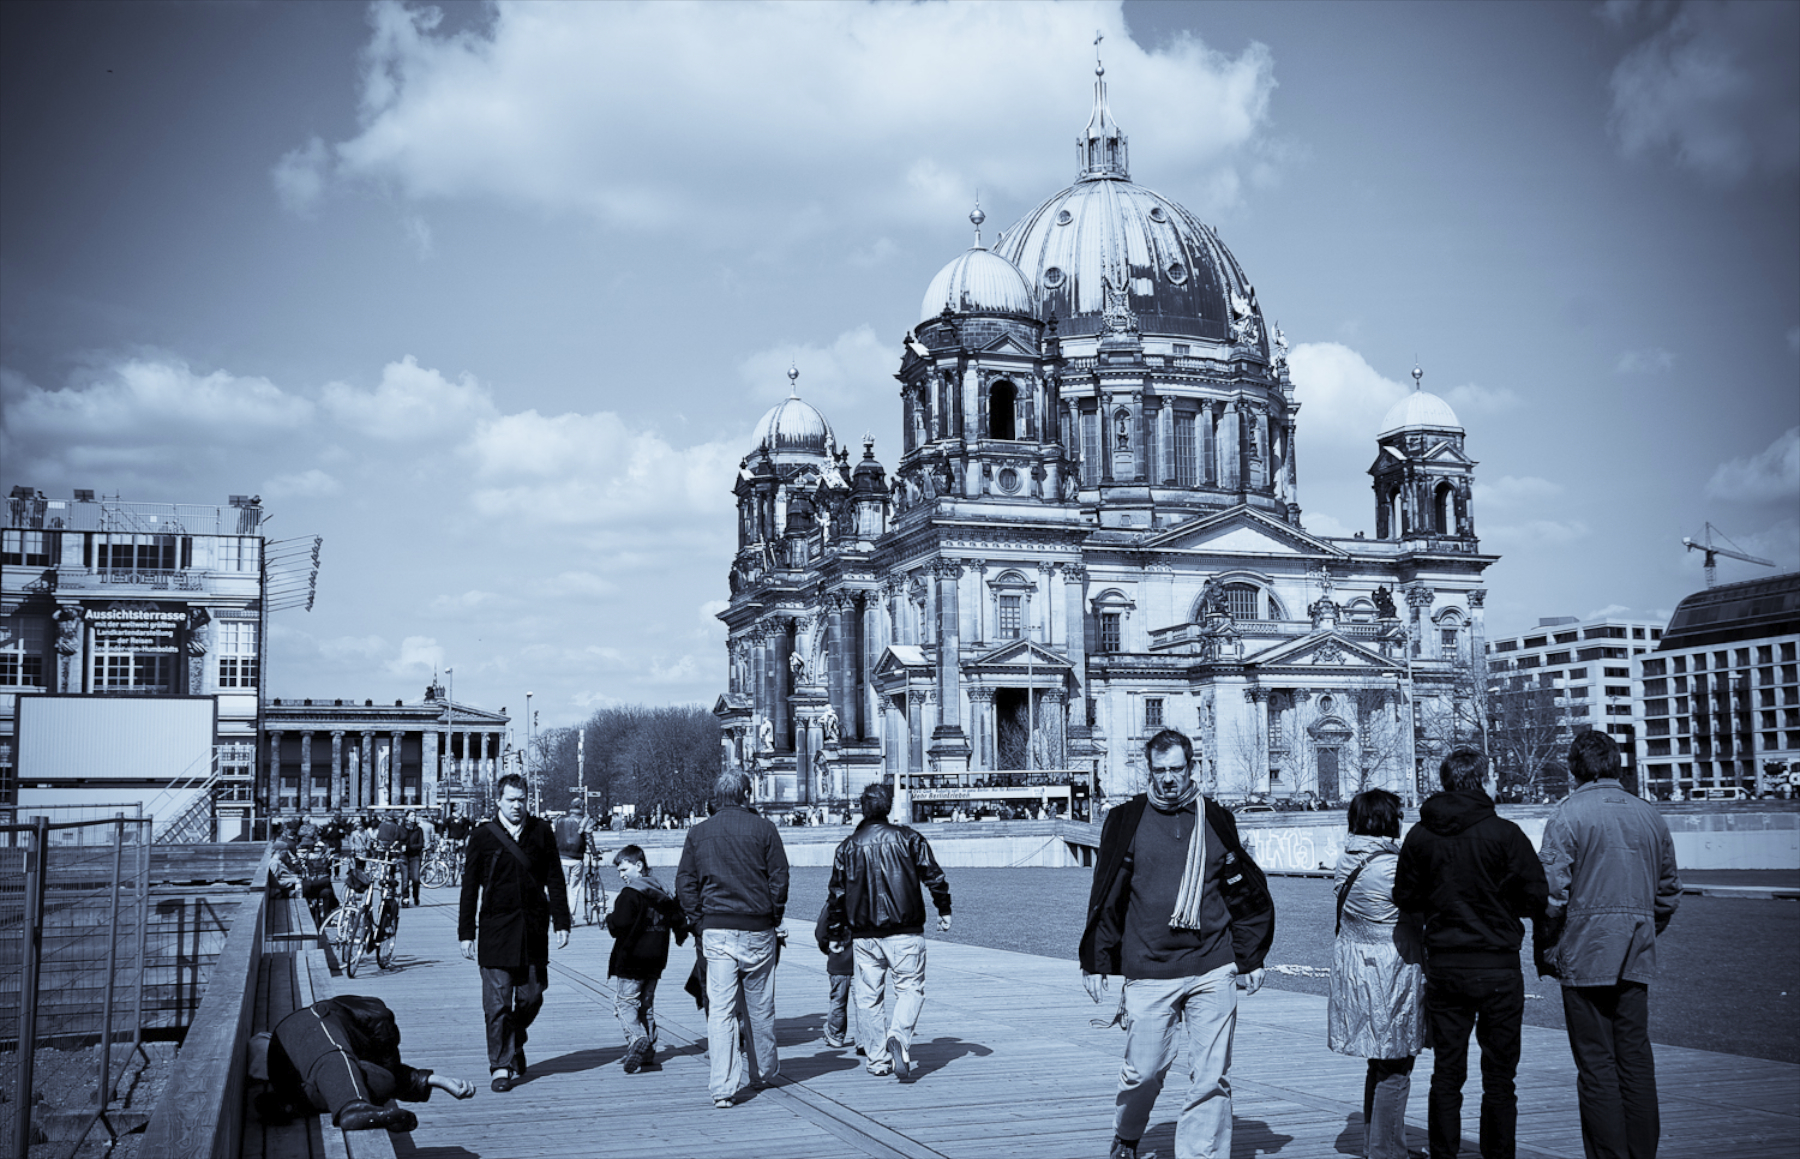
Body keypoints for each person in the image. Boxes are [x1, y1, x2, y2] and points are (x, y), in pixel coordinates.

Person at [1078, 728, 1275, 1159]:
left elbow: (1239, 891)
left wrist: (1251, 957)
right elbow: (1108, 893)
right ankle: (1127, 1133)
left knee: (1211, 1078)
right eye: (1160, 770)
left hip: (1213, 964)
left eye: (1176, 769)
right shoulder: (1126, 819)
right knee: (1143, 1073)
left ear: (1191, 767)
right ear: (1149, 771)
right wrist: (1096, 960)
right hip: (1149, 966)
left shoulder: (1216, 818)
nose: (1168, 778)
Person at [1394, 748, 1548, 1159]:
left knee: (1447, 1071)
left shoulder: (1420, 835)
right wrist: (1501, 906)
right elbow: (1536, 895)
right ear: (1481, 780)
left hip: (1446, 962)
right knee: (1500, 1077)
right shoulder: (1505, 834)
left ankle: (1444, 1153)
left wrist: (1439, 907)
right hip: (1497, 962)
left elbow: (1405, 896)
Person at [1536, 731, 1681, 1159]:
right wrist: (1643, 927)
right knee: (1635, 1060)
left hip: (1585, 952)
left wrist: (1552, 945)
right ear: (1616, 765)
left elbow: (1551, 894)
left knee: (1596, 1064)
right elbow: (1668, 892)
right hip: (1634, 949)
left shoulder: (1567, 815)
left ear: (1574, 768)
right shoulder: (1650, 815)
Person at [675, 767, 790, 1109]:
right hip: (757, 926)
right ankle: (763, 1070)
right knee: (760, 1006)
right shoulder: (765, 829)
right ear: (746, 794)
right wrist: (774, 916)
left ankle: (723, 1086)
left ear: (717, 797)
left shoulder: (699, 832)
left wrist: (698, 921)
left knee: (721, 1011)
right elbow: (779, 877)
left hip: (717, 927)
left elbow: (685, 882)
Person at [825, 781, 952, 1079]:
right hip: (905, 929)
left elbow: (837, 894)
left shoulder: (847, 846)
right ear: (889, 807)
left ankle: (877, 1059)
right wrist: (944, 908)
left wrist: (835, 932)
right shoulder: (909, 838)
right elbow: (933, 875)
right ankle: (899, 1035)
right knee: (910, 988)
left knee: (868, 998)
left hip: (865, 934)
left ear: (862, 808)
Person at [458, 773, 572, 1093]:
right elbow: (469, 887)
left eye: (522, 800)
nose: (517, 805)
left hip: (533, 930)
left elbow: (555, 879)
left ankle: (514, 1039)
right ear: (498, 801)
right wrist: (466, 932)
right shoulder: (482, 836)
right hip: (495, 931)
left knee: (532, 996)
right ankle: (500, 1065)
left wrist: (562, 922)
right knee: (496, 1004)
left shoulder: (541, 831)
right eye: (510, 800)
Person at [1329, 789, 1426, 1159]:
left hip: (1359, 967)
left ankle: (1378, 1145)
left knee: (1381, 1062)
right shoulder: (1389, 867)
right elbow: (1422, 906)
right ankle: (1387, 1151)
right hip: (1391, 970)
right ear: (1386, 819)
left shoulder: (1349, 858)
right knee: (1396, 1066)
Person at [248, 994, 476, 1133]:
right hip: (292, 1041)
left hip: (296, 1083)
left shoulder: (362, 1038)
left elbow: (389, 1072)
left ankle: (288, 1103)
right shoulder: (321, 1017)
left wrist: (437, 1080)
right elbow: (340, 1054)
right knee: (335, 1055)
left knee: (382, 1081)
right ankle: (352, 1107)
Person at [605, 844, 689, 1075]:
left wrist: (609, 918)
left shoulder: (630, 894)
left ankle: (637, 1038)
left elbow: (619, 925)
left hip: (631, 959)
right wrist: (681, 934)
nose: (621, 875)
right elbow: (678, 919)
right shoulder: (661, 891)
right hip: (656, 959)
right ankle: (648, 1052)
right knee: (646, 1005)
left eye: (624, 869)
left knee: (625, 1003)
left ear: (639, 865)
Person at [813, 901, 855, 1049]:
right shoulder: (866, 900)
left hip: (838, 960)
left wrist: (828, 949)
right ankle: (865, 1038)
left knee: (838, 1001)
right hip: (862, 960)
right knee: (865, 1002)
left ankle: (835, 1035)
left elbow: (821, 931)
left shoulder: (833, 905)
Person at [401, 813, 426, 907]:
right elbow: (398, 841)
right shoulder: (401, 829)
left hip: (415, 856)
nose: (414, 817)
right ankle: (405, 898)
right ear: (406, 817)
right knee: (405, 878)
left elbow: (420, 844)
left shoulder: (418, 830)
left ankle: (416, 896)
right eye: (412, 815)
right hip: (403, 856)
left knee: (416, 878)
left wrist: (409, 847)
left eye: (415, 815)